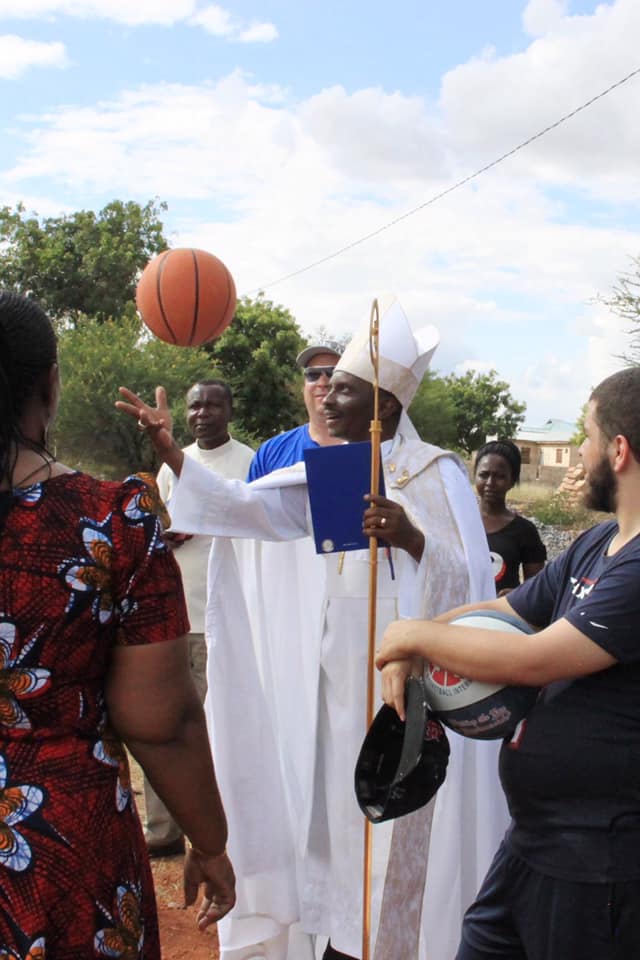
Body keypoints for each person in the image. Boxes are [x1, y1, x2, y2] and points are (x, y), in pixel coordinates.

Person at [117, 295, 509, 960]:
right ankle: (339, 936)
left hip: (406, 692)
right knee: (335, 822)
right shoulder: (341, 470)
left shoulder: (436, 473)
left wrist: (412, 536)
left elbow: (469, 583)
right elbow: (258, 514)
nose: (327, 395)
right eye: (326, 385)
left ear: (383, 408)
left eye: (346, 388)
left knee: (400, 829)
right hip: (336, 687)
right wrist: (178, 461)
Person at [376, 366, 640, 960]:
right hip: (532, 842)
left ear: (618, 451)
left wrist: (410, 633)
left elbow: (531, 658)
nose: (580, 451)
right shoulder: (598, 544)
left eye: (589, 436)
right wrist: (411, 646)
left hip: (600, 860)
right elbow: (508, 609)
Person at [0, 291, 235, 957]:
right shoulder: (112, 522)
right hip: (62, 846)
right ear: (50, 384)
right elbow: (162, 723)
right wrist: (210, 844)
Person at [144, 379, 254, 858]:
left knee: (215, 729)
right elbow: (166, 518)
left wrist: (205, 522)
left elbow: (255, 528)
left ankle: (215, 832)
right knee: (160, 725)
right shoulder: (173, 461)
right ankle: (162, 830)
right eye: (195, 406)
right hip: (172, 616)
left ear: (230, 410)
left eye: (212, 404)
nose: (202, 413)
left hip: (222, 618)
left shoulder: (250, 462)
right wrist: (166, 531)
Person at [247, 340, 343, 480]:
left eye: (332, 373)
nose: (322, 382)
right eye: (312, 375)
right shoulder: (270, 452)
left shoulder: (375, 449)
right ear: (303, 387)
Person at [474, 439, 546, 594]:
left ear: (512, 481)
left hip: (499, 616)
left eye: (500, 476)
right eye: (484, 475)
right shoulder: (460, 522)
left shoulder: (524, 531)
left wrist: (516, 596)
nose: (490, 482)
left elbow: (537, 591)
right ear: (474, 476)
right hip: (457, 615)